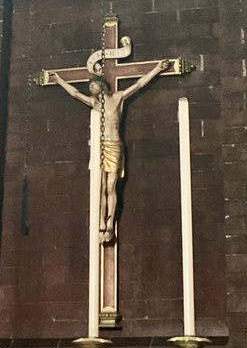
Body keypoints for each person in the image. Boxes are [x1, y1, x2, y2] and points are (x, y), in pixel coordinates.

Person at [50, 59, 173, 243]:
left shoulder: (117, 98)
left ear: (101, 85)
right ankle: (100, 221)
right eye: (90, 85)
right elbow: (75, 93)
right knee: (99, 186)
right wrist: (59, 80)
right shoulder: (94, 104)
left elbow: (139, 84)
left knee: (110, 185)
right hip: (99, 146)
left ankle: (110, 224)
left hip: (114, 145)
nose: (90, 88)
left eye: (93, 84)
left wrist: (156, 69)